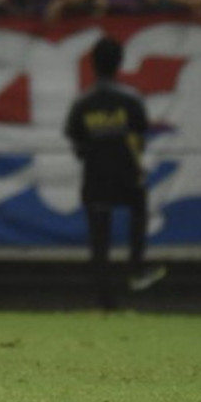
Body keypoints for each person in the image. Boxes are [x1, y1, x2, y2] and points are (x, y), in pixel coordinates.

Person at [65, 36, 164, 311]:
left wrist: (92, 151)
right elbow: (141, 133)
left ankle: (104, 301)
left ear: (93, 64)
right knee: (138, 210)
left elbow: (76, 139)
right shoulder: (130, 99)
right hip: (127, 175)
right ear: (120, 63)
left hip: (96, 178)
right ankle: (136, 267)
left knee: (100, 240)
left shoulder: (83, 102)